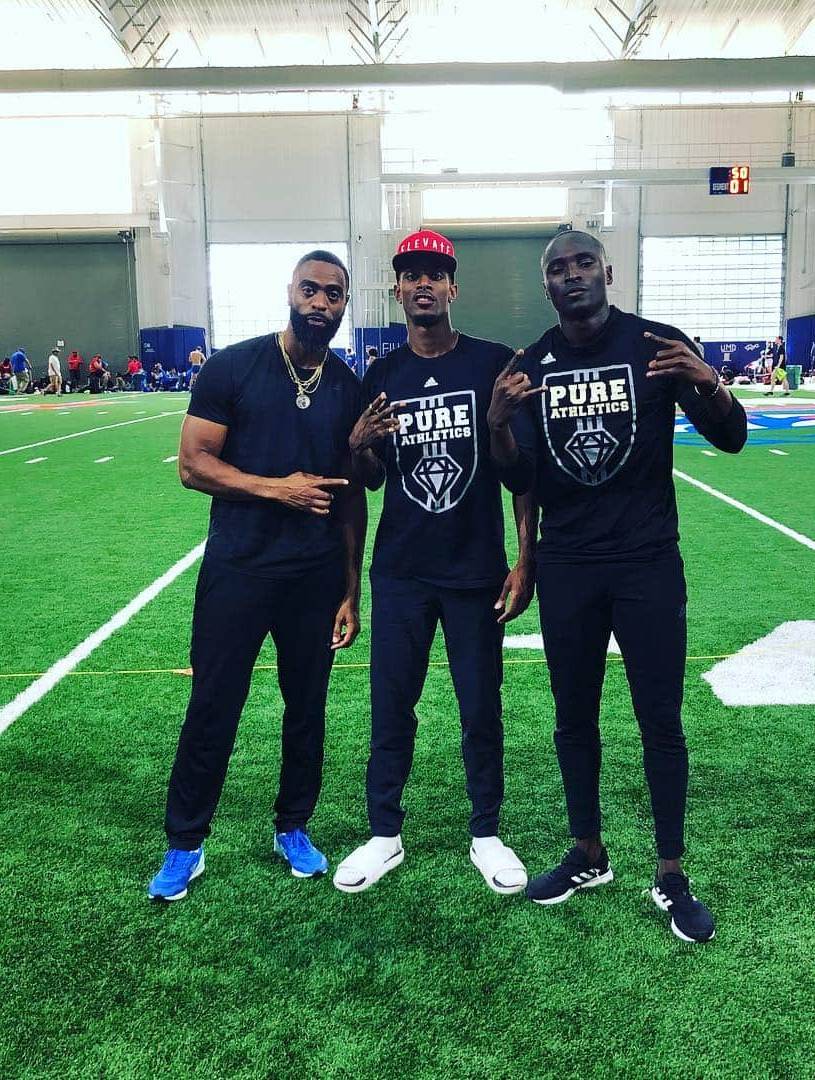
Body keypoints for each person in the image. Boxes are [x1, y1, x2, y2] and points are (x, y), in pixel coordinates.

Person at [507, 229, 747, 943]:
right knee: (572, 717)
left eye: (583, 262)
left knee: (660, 720)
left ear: (607, 272)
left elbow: (732, 438)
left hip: (646, 562)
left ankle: (670, 872)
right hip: (569, 566)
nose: (573, 275)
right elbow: (518, 476)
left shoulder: (658, 343)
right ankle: (588, 852)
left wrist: (706, 381)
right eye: (559, 268)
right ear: (545, 285)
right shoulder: (532, 365)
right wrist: (498, 423)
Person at [148, 249, 367, 902]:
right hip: (238, 571)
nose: (320, 303)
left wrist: (353, 589)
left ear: (345, 306)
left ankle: (293, 826)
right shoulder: (233, 367)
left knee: (307, 710)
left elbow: (353, 496)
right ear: (290, 292)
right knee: (213, 706)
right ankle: (185, 841)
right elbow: (193, 465)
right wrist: (279, 491)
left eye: (333, 294)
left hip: (315, 579)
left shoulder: (348, 389)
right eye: (310, 289)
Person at [333, 230, 537, 897]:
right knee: (392, 707)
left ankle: (486, 832)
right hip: (400, 570)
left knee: (481, 707)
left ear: (453, 287)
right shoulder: (381, 374)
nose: (422, 284)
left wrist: (523, 560)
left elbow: (520, 474)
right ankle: (385, 834)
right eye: (410, 275)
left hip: (475, 568)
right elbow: (368, 478)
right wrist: (360, 446)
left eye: (435, 275)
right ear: (397, 290)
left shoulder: (491, 364)